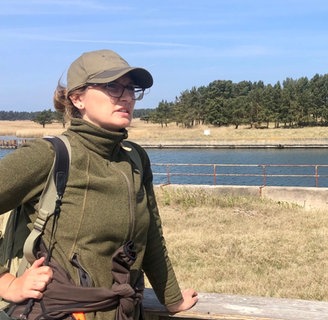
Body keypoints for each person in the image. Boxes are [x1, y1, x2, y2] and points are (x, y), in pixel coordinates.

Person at [0, 49, 198, 319]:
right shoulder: (48, 155)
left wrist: (172, 298)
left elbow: (151, 236)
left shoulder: (136, 159)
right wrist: (8, 283)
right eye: (112, 87)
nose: (126, 97)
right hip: (62, 312)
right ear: (77, 98)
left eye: (131, 89)